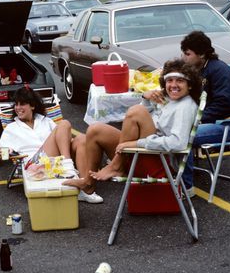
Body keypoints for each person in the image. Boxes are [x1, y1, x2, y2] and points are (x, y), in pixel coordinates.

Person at [64, 59, 202, 188]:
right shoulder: (169, 99)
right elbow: (144, 121)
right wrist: (146, 99)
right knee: (95, 129)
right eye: (169, 80)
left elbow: (178, 143)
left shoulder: (185, 106)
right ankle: (88, 183)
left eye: (180, 81)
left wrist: (136, 144)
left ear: (189, 85)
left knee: (136, 110)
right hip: (143, 153)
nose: (173, 85)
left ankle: (116, 166)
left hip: (161, 161)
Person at [0, 87, 103, 203]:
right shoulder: (12, 128)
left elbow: (62, 139)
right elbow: (4, 150)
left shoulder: (45, 121)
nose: (18, 108)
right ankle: (69, 169)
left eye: (22, 104)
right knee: (64, 124)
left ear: (32, 106)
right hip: (35, 164)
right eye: (16, 104)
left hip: (55, 159)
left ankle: (85, 189)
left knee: (81, 138)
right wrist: (4, 152)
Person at [178, 30, 230, 196]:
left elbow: (225, 103)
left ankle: (185, 188)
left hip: (228, 125)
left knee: (183, 136)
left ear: (202, 54)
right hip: (214, 121)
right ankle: (173, 177)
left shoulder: (219, 71)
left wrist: (197, 119)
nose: (184, 58)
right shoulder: (200, 68)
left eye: (187, 54)